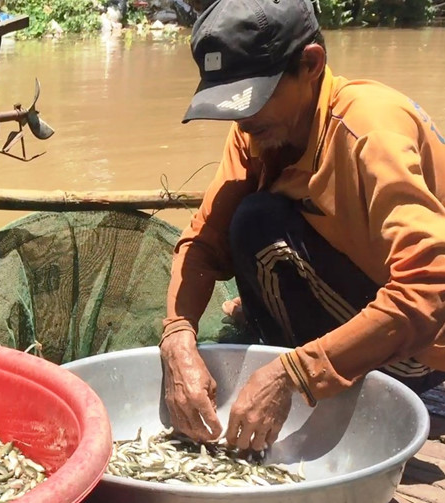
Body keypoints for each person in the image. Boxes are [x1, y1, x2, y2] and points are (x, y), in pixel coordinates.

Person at [160, 0, 445, 452]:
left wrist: (295, 373)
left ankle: (332, 383)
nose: (241, 120)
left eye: (252, 98)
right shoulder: (259, 129)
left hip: (425, 348)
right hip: (362, 300)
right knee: (248, 220)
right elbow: (204, 241)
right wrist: (176, 336)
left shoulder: (371, 129)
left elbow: (430, 289)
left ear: (310, 64)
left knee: (260, 222)